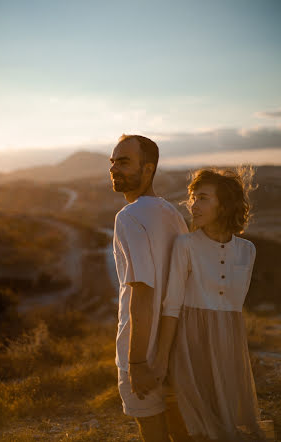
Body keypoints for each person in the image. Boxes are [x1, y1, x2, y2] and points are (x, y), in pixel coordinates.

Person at [153, 168, 266, 441]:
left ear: (224, 204)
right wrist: (162, 359)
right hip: (190, 343)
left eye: (202, 198)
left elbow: (232, 307)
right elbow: (172, 306)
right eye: (192, 197)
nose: (193, 204)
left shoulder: (248, 251)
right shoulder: (185, 245)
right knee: (197, 425)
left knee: (226, 420)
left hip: (229, 342)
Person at [110, 134, 189, 442]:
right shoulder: (172, 213)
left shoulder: (128, 217)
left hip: (144, 351)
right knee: (182, 430)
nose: (115, 168)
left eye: (125, 162)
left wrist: (138, 362)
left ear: (148, 169)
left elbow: (143, 290)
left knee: (153, 432)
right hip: (176, 348)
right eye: (113, 162)